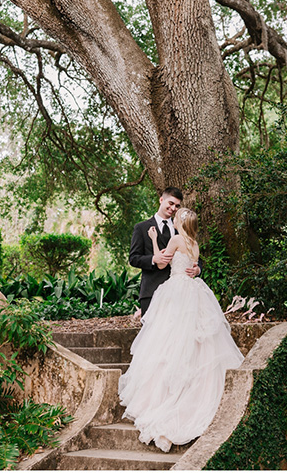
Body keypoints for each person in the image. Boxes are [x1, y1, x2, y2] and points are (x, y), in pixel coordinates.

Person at [118, 207, 244, 452]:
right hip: (194, 292)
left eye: (176, 217)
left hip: (175, 291)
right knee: (193, 342)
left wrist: (154, 240)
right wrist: (195, 269)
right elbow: (192, 265)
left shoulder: (175, 239)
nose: (173, 218)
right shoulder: (194, 243)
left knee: (167, 339)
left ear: (181, 223)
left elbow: (163, 262)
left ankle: (165, 398)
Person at [128, 187, 200, 315]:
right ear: (161, 200)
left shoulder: (181, 229)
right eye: (171, 203)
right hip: (151, 291)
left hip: (180, 294)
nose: (173, 208)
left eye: (177, 206)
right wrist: (153, 259)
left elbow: (195, 257)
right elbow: (133, 258)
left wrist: (197, 269)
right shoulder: (141, 227)